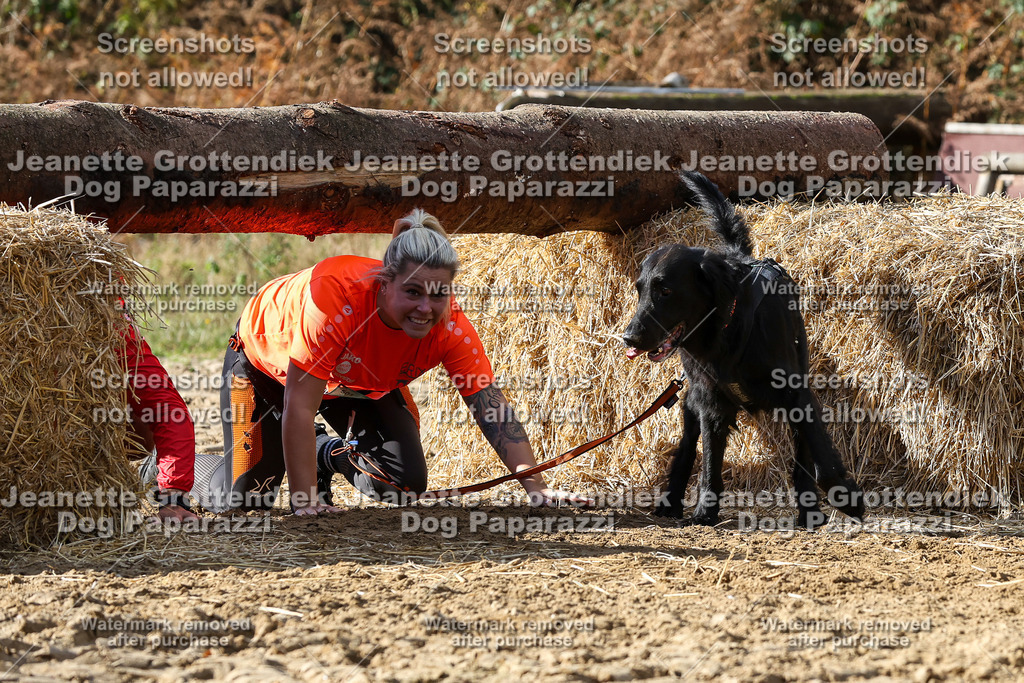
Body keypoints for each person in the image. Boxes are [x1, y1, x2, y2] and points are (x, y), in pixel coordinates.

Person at [191, 209, 586, 515]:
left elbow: (490, 406)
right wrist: (304, 499)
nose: (425, 308)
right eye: (412, 292)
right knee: (245, 504)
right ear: (383, 282)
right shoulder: (335, 299)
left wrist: (537, 489)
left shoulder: (450, 326)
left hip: (351, 380)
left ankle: (322, 452)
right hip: (267, 366)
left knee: (403, 484)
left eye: (438, 295)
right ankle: (175, 467)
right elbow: (298, 404)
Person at [123, 325, 199, 522]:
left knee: (140, 444)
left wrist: (174, 500)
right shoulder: (113, 324)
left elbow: (170, 413)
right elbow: (172, 414)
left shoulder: (116, 329)